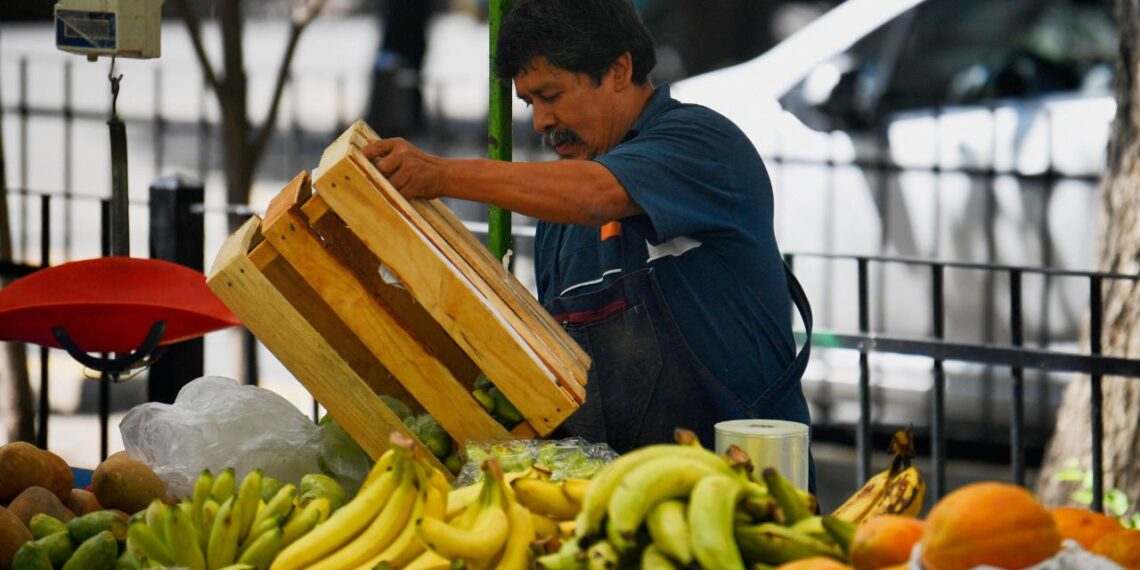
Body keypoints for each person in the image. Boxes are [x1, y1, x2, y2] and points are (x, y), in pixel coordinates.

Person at [363, 0, 814, 466]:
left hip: (747, 482)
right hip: (617, 500)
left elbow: (597, 195)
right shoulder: (557, 218)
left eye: (551, 95)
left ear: (619, 71)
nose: (541, 122)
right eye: (529, 103)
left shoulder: (701, 142)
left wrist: (440, 175)